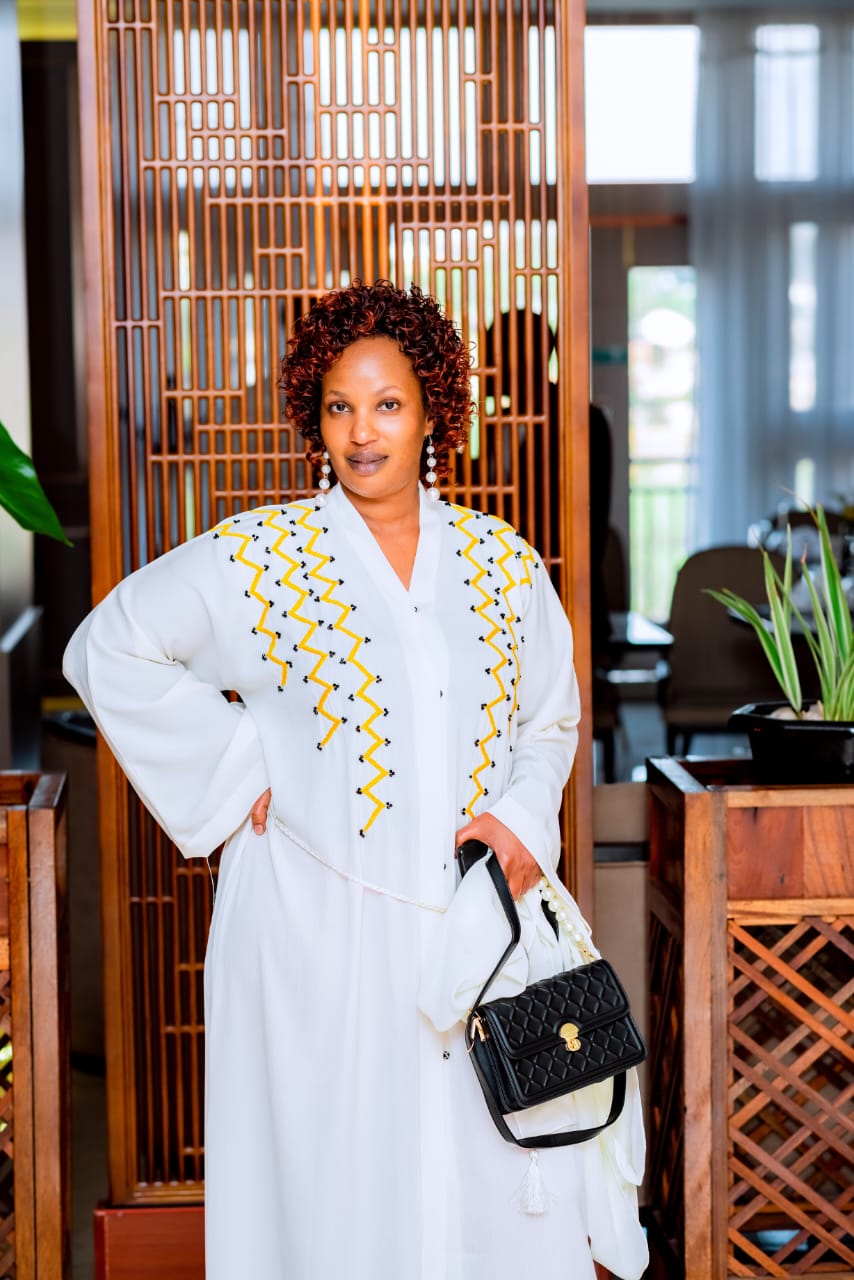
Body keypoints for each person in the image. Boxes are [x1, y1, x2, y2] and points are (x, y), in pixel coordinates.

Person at [63, 280, 646, 1280]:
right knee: (334, 1189)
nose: (361, 431)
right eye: (339, 406)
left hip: (475, 927)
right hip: (311, 929)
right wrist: (236, 766)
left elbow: (549, 715)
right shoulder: (264, 556)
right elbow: (108, 645)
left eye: (386, 404)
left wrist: (519, 816)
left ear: (432, 412)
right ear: (314, 415)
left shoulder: (501, 563)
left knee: (492, 1180)